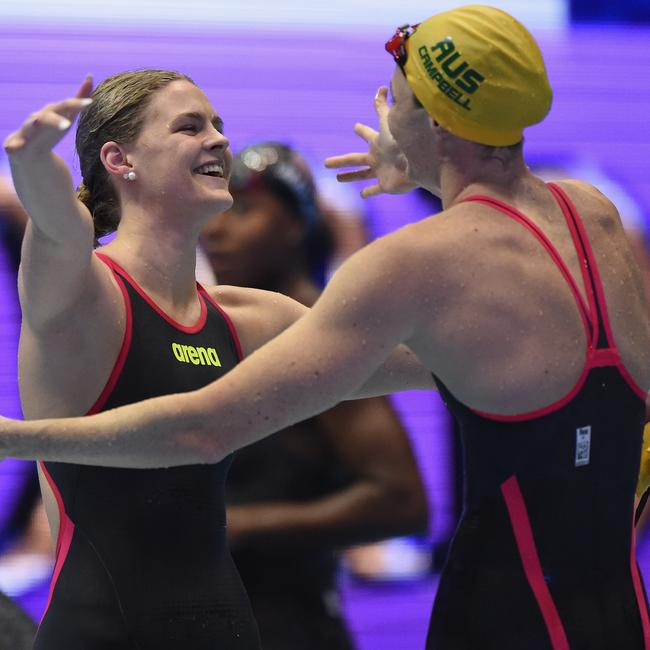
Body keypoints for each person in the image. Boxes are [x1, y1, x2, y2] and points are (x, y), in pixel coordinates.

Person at [2, 5, 650, 648]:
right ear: (120, 160)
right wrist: (34, 168)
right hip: (102, 630)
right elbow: (57, 229)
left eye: (220, 124)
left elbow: (458, 359)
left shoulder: (253, 315)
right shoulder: (84, 297)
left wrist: (16, 439)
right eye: (190, 126)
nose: (220, 140)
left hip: (234, 626)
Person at [200, 141, 428, 650]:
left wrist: (241, 524)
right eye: (217, 208)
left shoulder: (323, 338)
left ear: (296, 225)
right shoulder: (219, 331)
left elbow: (402, 501)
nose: (216, 228)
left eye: (245, 210)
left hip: (291, 628)